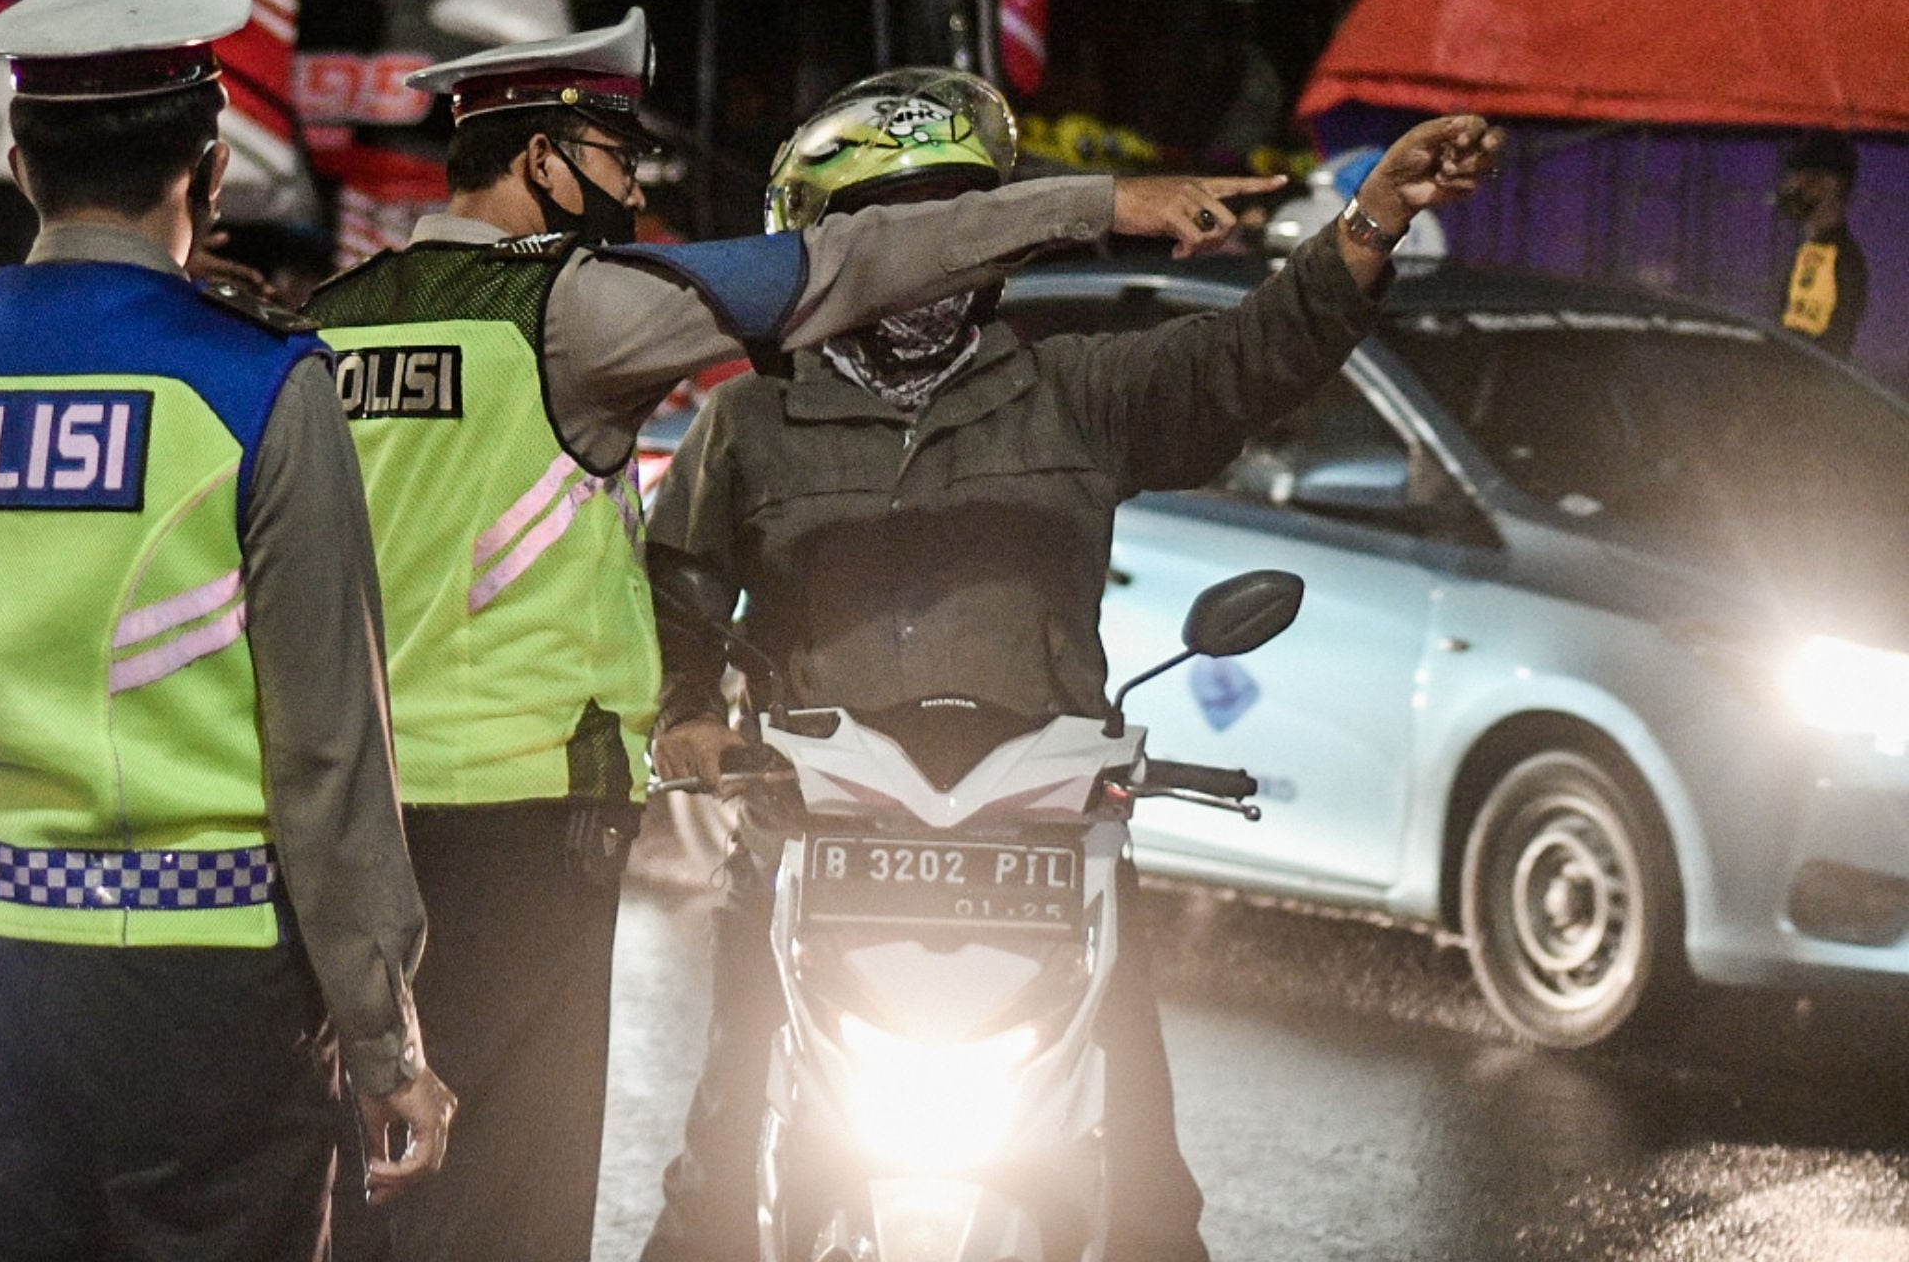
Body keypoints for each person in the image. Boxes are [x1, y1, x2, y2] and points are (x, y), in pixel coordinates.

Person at [301, 16, 1286, 1262]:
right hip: (526, 810)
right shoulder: (584, 310)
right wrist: (1098, 202)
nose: (630, 187)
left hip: (349, 823)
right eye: (610, 155)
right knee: (530, 1194)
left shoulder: (324, 324)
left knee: (369, 1166)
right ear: (545, 160)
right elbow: (844, 265)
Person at [636, 70, 1499, 1262]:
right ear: (823, 247)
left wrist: (1374, 220)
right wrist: (683, 714)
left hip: (1046, 857)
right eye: (891, 230)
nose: (928, 261)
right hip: (809, 856)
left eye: (955, 221)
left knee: (1145, 1197)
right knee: (719, 1186)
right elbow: (674, 603)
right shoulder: (748, 427)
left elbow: (1250, 354)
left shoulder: (1073, 393)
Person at [0, 0, 457, 1261]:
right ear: (210, 170)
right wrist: (383, 1035)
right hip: (207, 982)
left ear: (20, 164)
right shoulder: (261, 386)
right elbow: (330, 750)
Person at [1778, 129, 1869, 359]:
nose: (1793, 186)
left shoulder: (1834, 257)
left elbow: (1816, 345)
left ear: (1831, 185)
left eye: (1806, 178)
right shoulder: (1813, 251)